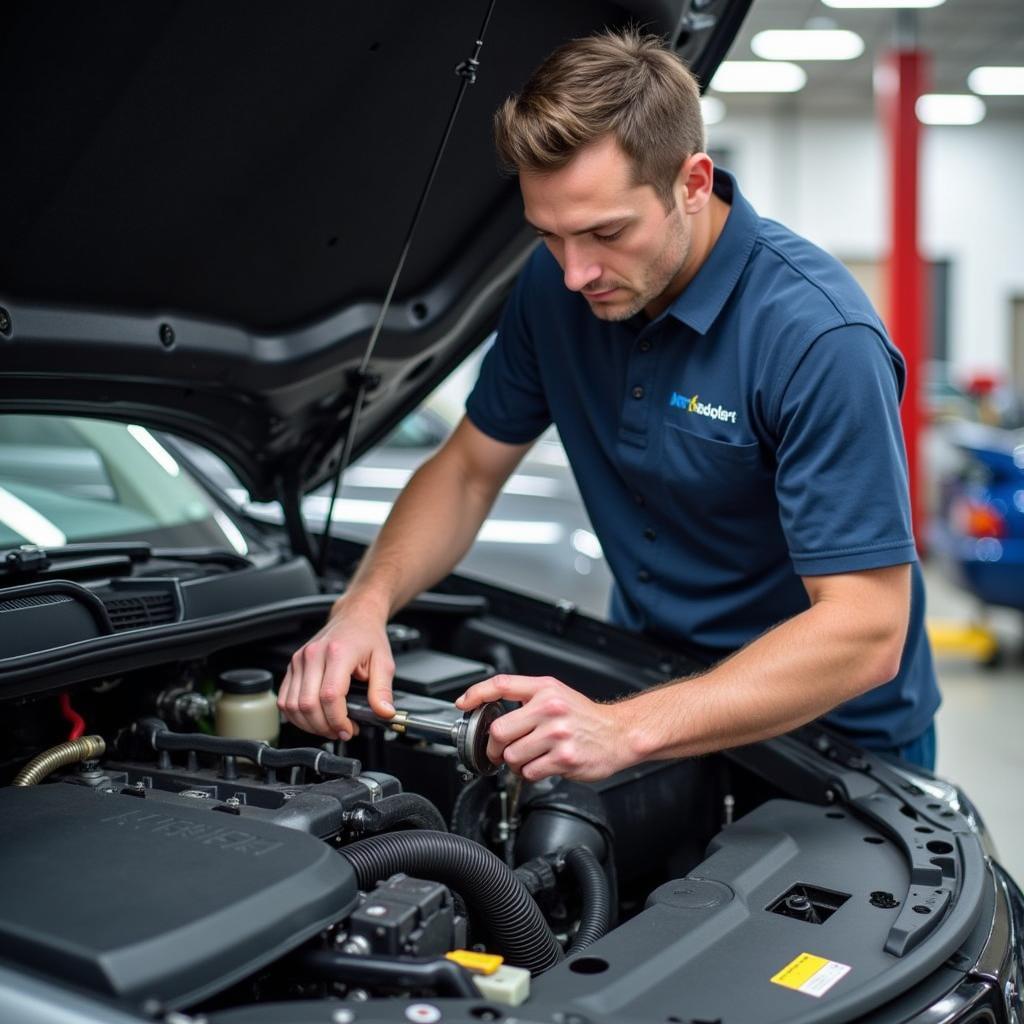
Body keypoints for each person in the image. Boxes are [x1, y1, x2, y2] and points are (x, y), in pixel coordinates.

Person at [279, 29, 940, 778]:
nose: (575, 273)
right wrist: (364, 606)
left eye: (605, 232)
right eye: (550, 236)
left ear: (692, 182)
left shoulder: (817, 337)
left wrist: (625, 731)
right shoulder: (551, 291)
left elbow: (867, 629)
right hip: (655, 691)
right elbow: (467, 470)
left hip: (838, 743)